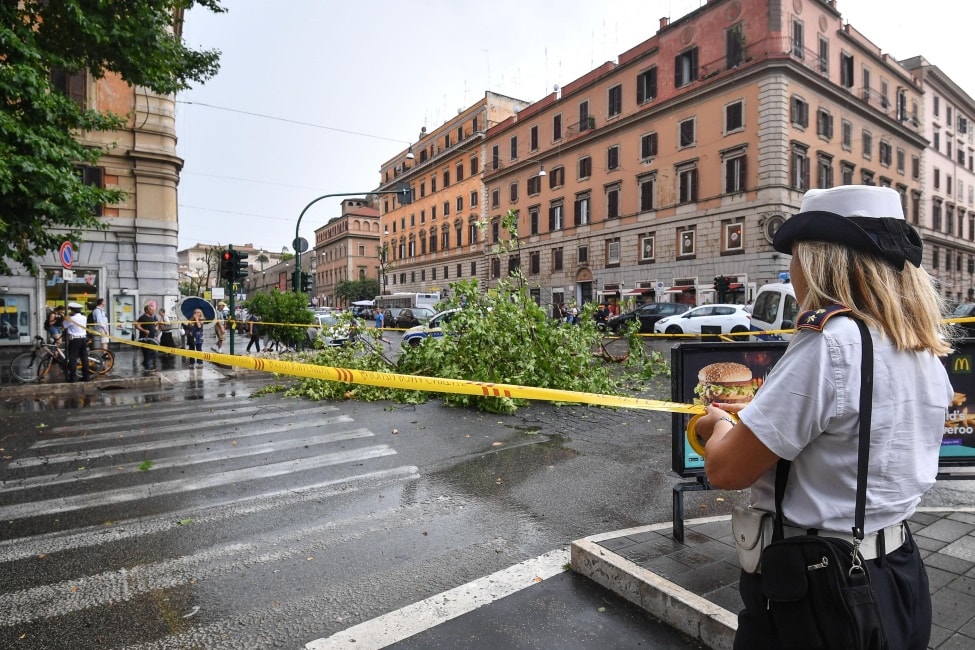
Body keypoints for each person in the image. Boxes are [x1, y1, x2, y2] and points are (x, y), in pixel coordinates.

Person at [692, 186, 954, 650]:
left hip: (821, 585)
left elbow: (726, 469)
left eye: (796, 256)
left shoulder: (829, 345)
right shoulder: (922, 350)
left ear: (818, 262)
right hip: (898, 571)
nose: (792, 270)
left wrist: (719, 425)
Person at [63, 302, 92, 382]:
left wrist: (66, 318)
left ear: (72, 310)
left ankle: (73, 377)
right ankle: (86, 376)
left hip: (75, 340)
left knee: (73, 358)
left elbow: (64, 325)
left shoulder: (72, 318)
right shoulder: (84, 317)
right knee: (84, 358)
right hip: (83, 339)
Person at [134, 301, 159, 372]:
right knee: (149, 353)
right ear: (146, 310)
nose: (153, 310)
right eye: (151, 309)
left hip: (151, 338)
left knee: (151, 353)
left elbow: (154, 327)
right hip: (145, 338)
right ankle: (147, 367)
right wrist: (144, 330)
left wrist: (156, 326)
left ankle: (147, 365)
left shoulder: (152, 317)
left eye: (153, 309)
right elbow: (137, 326)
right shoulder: (142, 317)